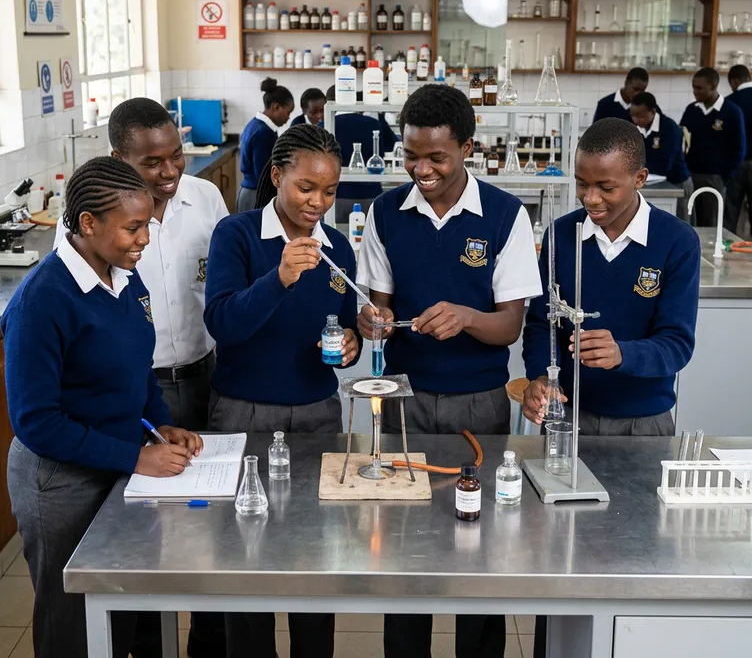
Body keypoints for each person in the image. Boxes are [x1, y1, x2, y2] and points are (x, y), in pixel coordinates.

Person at [356, 84, 542, 658]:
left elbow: (510, 327)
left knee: (476, 547)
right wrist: (373, 321)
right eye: (411, 155)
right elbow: (378, 305)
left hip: (478, 403)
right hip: (403, 401)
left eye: (436, 157)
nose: (421, 169)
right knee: (402, 546)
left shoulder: (506, 217)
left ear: (467, 147)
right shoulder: (387, 212)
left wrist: (466, 317)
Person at [3, 157, 203, 658]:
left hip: (121, 465)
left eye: (148, 226)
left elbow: (138, 368)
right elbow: (37, 423)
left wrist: (160, 424)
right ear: (88, 224)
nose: (144, 240)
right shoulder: (43, 300)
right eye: (133, 228)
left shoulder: (124, 276)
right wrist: (136, 458)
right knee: (72, 618)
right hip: (60, 480)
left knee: (132, 605)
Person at [54, 98, 229, 658]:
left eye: (176, 156)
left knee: (208, 523)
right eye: (153, 163)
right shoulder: (92, 236)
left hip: (197, 377)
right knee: (136, 540)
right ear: (118, 159)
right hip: (130, 397)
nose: (171, 171)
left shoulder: (205, 199)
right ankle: (145, 640)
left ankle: (205, 640)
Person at [522, 119, 700, 658]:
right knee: (559, 559)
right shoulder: (561, 236)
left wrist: (626, 353)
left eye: (605, 186)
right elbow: (539, 322)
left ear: (640, 178)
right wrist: (538, 376)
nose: (589, 198)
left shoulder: (675, 242)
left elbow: (677, 344)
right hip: (570, 425)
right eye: (581, 183)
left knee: (637, 558)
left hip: (644, 428)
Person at [203, 123, 361, 658]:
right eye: (306, 188)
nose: (318, 202)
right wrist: (279, 277)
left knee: (315, 553)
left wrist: (354, 343)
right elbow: (223, 322)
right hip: (244, 414)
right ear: (276, 176)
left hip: (317, 412)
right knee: (246, 555)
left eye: (330, 190)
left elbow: (339, 328)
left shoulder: (338, 249)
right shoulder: (238, 234)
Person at [680, 67, 746, 227]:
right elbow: (682, 138)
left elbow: (739, 147)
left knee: (712, 224)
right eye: (693, 87)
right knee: (690, 221)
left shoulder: (731, 111)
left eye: (699, 88)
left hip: (716, 178)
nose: (695, 92)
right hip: (692, 175)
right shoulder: (692, 110)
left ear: (713, 86)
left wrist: (726, 177)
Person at [326, 83, 399, 223]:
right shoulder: (373, 123)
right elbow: (393, 147)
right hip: (371, 197)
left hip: (336, 199)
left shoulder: (324, 126)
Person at [629, 91, 693, 221]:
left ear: (652, 112)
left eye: (639, 116)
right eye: (632, 115)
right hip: (654, 182)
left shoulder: (670, 128)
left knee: (681, 222)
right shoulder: (637, 129)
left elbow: (665, 162)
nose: (635, 119)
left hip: (677, 182)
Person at [237, 78, 294, 212]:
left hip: (250, 192)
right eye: (288, 112)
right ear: (276, 107)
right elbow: (263, 174)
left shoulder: (255, 125)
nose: (288, 118)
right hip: (255, 195)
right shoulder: (263, 133)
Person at [724, 64, 752, 234]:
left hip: (737, 163)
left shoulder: (730, 103)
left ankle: (727, 249)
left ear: (734, 81)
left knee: (730, 209)